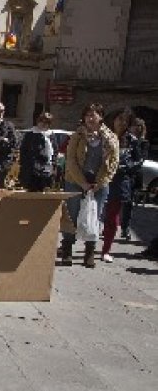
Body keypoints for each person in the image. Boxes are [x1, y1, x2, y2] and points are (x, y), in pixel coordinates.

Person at [59, 103, 119, 268]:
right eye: (87, 115)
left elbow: (113, 163)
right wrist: (83, 183)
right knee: (71, 216)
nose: (90, 119)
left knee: (95, 217)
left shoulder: (111, 138)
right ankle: (67, 251)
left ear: (101, 117)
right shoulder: (77, 135)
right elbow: (70, 160)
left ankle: (89, 253)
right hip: (76, 181)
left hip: (99, 184)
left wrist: (100, 183)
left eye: (93, 115)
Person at [100, 109, 143, 263]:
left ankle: (106, 250)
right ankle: (89, 247)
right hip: (101, 179)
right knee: (94, 214)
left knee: (112, 217)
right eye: (120, 119)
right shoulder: (104, 135)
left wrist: (126, 167)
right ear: (113, 119)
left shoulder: (131, 140)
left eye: (126, 121)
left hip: (119, 182)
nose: (122, 123)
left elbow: (138, 161)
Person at [121, 118, 148, 240]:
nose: (137, 128)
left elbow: (141, 159)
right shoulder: (125, 139)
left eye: (140, 126)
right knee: (116, 202)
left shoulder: (143, 142)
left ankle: (125, 228)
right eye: (135, 125)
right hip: (122, 175)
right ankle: (110, 227)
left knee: (128, 203)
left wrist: (136, 143)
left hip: (134, 176)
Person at [18, 112, 56, 192]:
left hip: (47, 171)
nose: (44, 124)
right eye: (42, 121)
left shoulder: (51, 135)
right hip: (33, 172)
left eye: (47, 122)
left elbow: (55, 151)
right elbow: (24, 152)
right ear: (38, 122)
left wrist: (53, 166)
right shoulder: (31, 134)